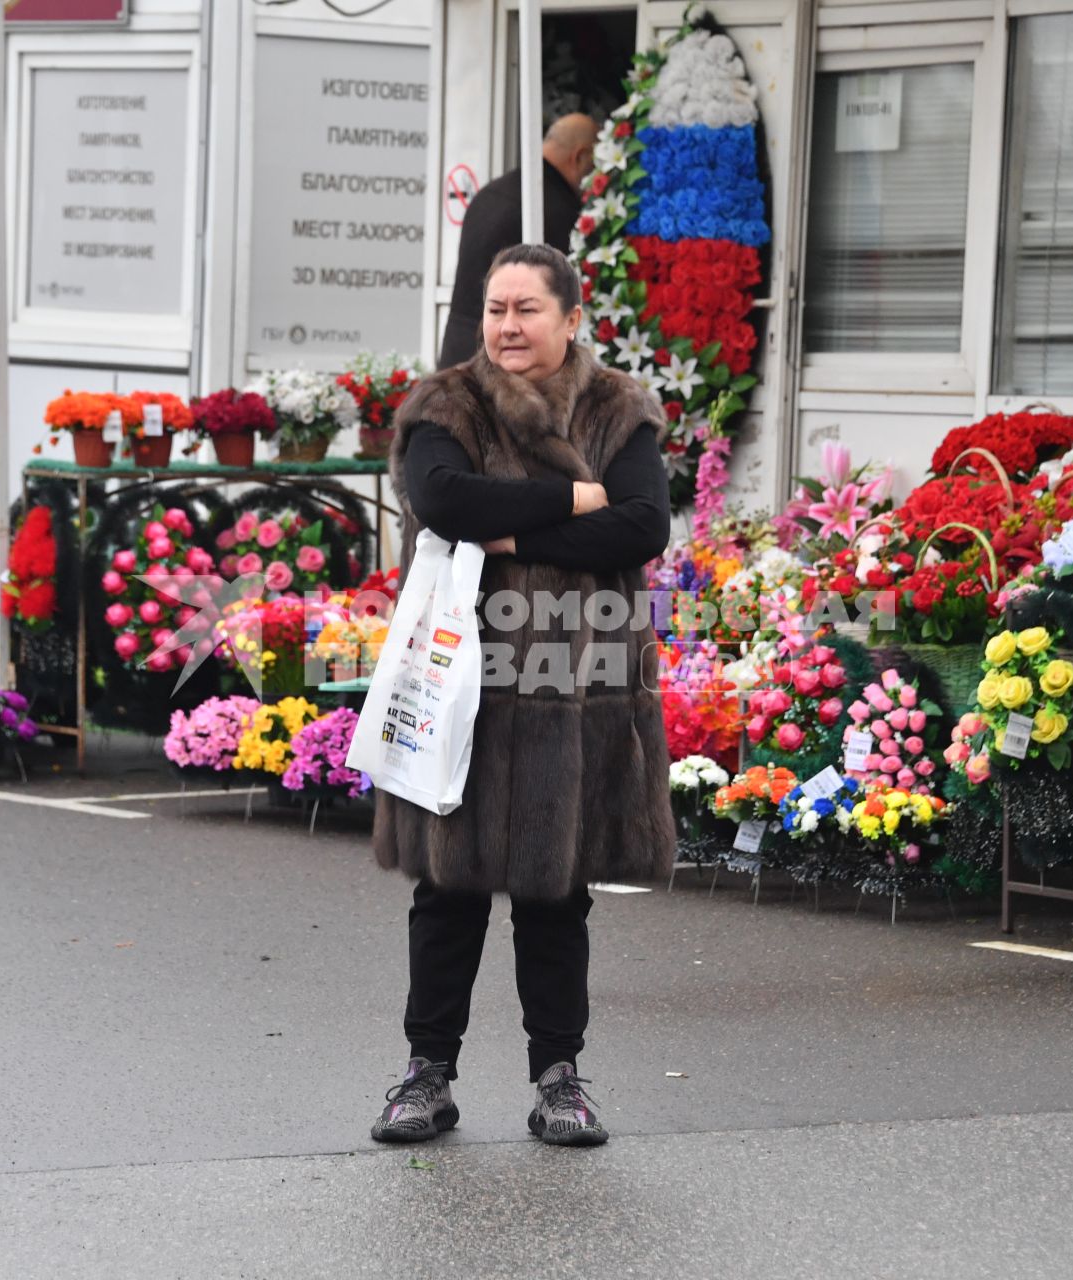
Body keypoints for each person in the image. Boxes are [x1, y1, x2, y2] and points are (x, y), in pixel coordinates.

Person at [370, 243, 675, 1148]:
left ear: (571, 318)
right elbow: (442, 500)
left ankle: (560, 1081)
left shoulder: (618, 409)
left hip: (578, 690)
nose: (506, 326)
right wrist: (573, 500)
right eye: (495, 309)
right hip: (464, 678)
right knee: (446, 892)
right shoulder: (447, 402)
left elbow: (643, 523)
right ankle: (427, 1076)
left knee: (557, 894)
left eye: (526, 309)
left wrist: (508, 531)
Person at [436, 114, 599, 370]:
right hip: (502, 366)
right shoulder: (553, 210)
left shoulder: (491, 193)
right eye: (595, 165)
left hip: (458, 353)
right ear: (579, 157)